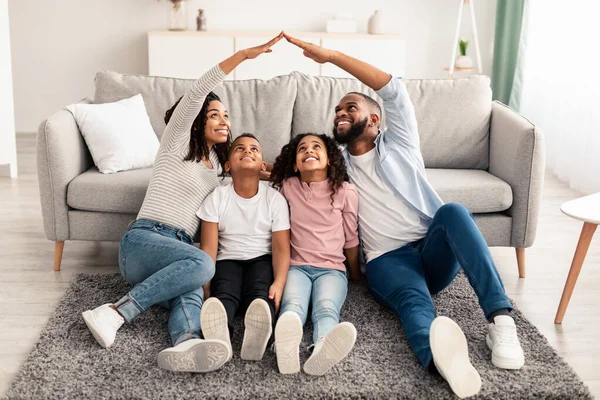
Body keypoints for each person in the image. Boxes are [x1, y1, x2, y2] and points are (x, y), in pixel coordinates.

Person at [283, 33, 525, 398]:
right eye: (336, 112)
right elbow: (294, 168)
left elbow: (393, 89)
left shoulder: (401, 143)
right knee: (414, 304)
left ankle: (501, 320)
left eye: (350, 108)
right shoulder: (336, 167)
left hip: (432, 248)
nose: (340, 114)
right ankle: (441, 362)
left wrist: (331, 56)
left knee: (455, 212)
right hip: (386, 260)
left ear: (375, 119)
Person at [81, 33, 284, 373]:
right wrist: (244, 56)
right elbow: (198, 91)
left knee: (191, 292)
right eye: (216, 115)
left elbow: (258, 172)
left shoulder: (221, 171)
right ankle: (116, 312)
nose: (225, 122)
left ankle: (186, 344)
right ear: (197, 120)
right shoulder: (176, 142)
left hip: (180, 255)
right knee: (205, 266)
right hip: (145, 242)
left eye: (227, 117)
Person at [270, 133, 360, 376]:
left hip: (332, 269)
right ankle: (285, 345)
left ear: (330, 159)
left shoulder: (345, 191)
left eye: (316, 147)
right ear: (295, 164)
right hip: (296, 267)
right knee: (293, 305)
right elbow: (267, 173)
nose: (309, 150)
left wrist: (355, 274)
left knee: (326, 308)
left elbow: (351, 238)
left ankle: (323, 347)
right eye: (302, 149)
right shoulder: (288, 187)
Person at [197, 134, 290, 363]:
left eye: (254, 150)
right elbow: (208, 247)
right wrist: (206, 288)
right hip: (227, 260)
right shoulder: (218, 196)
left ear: (262, 165)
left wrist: (279, 282)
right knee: (224, 294)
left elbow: (280, 249)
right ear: (228, 166)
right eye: (239, 148)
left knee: (261, 294)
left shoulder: (274, 198)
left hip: (262, 259)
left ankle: (257, 335)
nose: (247, 152)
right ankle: (220, 335)